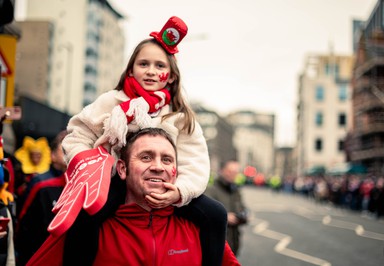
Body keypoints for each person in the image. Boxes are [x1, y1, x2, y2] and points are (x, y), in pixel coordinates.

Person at [54, 16, 227, 265]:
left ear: (170, 77)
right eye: (143, 63)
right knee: (85, 215)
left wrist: (179, 192)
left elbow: (196, 165)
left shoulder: (181, 117)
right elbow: (78, 135)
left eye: (159, 66)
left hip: (166, 188)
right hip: (115, 184)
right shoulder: (110, 102)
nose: (151, 71)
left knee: (216, 213)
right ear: (131, 69)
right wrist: (93, 168)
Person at [27, 128, 239, 265]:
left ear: (176, 170)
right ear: (122, 169)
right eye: (145, 157)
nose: (157, 166)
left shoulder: (202, 227)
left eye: (166, 160)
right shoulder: (91, 227)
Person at [15, 130, 67, 266]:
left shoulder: (81, 184)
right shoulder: (41, 184)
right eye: (65, 148)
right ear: (52, 155)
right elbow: (23, 224)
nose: (70, 153)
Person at [205, 160, 248, 256]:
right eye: (230, 171)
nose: (233, 175)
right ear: (221, 170)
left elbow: (243, 210)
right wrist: (224, 217)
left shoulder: (235, 191)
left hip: (233, 243)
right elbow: (203, 214)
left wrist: (242, 216)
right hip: (216, 245)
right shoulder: (210, 189)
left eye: (236, 172)